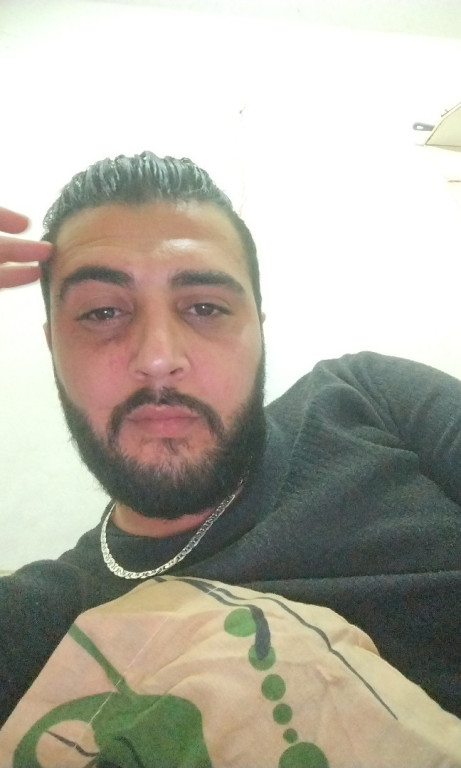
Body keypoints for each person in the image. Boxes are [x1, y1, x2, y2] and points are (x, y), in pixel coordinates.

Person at [0, 152, 459, 730]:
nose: (158, 358)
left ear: (259, 329)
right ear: (53, 345)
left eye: (205, 307)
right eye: (102, 312)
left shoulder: (371, 398)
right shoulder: (40, 624)